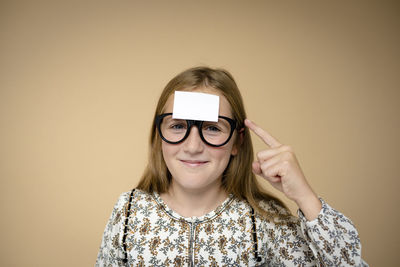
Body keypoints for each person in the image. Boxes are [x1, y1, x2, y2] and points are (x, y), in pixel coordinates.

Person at [96, 67, 368, 266]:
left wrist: (304, 196)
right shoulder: (129, 211)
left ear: (237, 141)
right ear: (159, 136)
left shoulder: (266, 219)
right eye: (178, 126)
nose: (192, 146)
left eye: (212, 129)